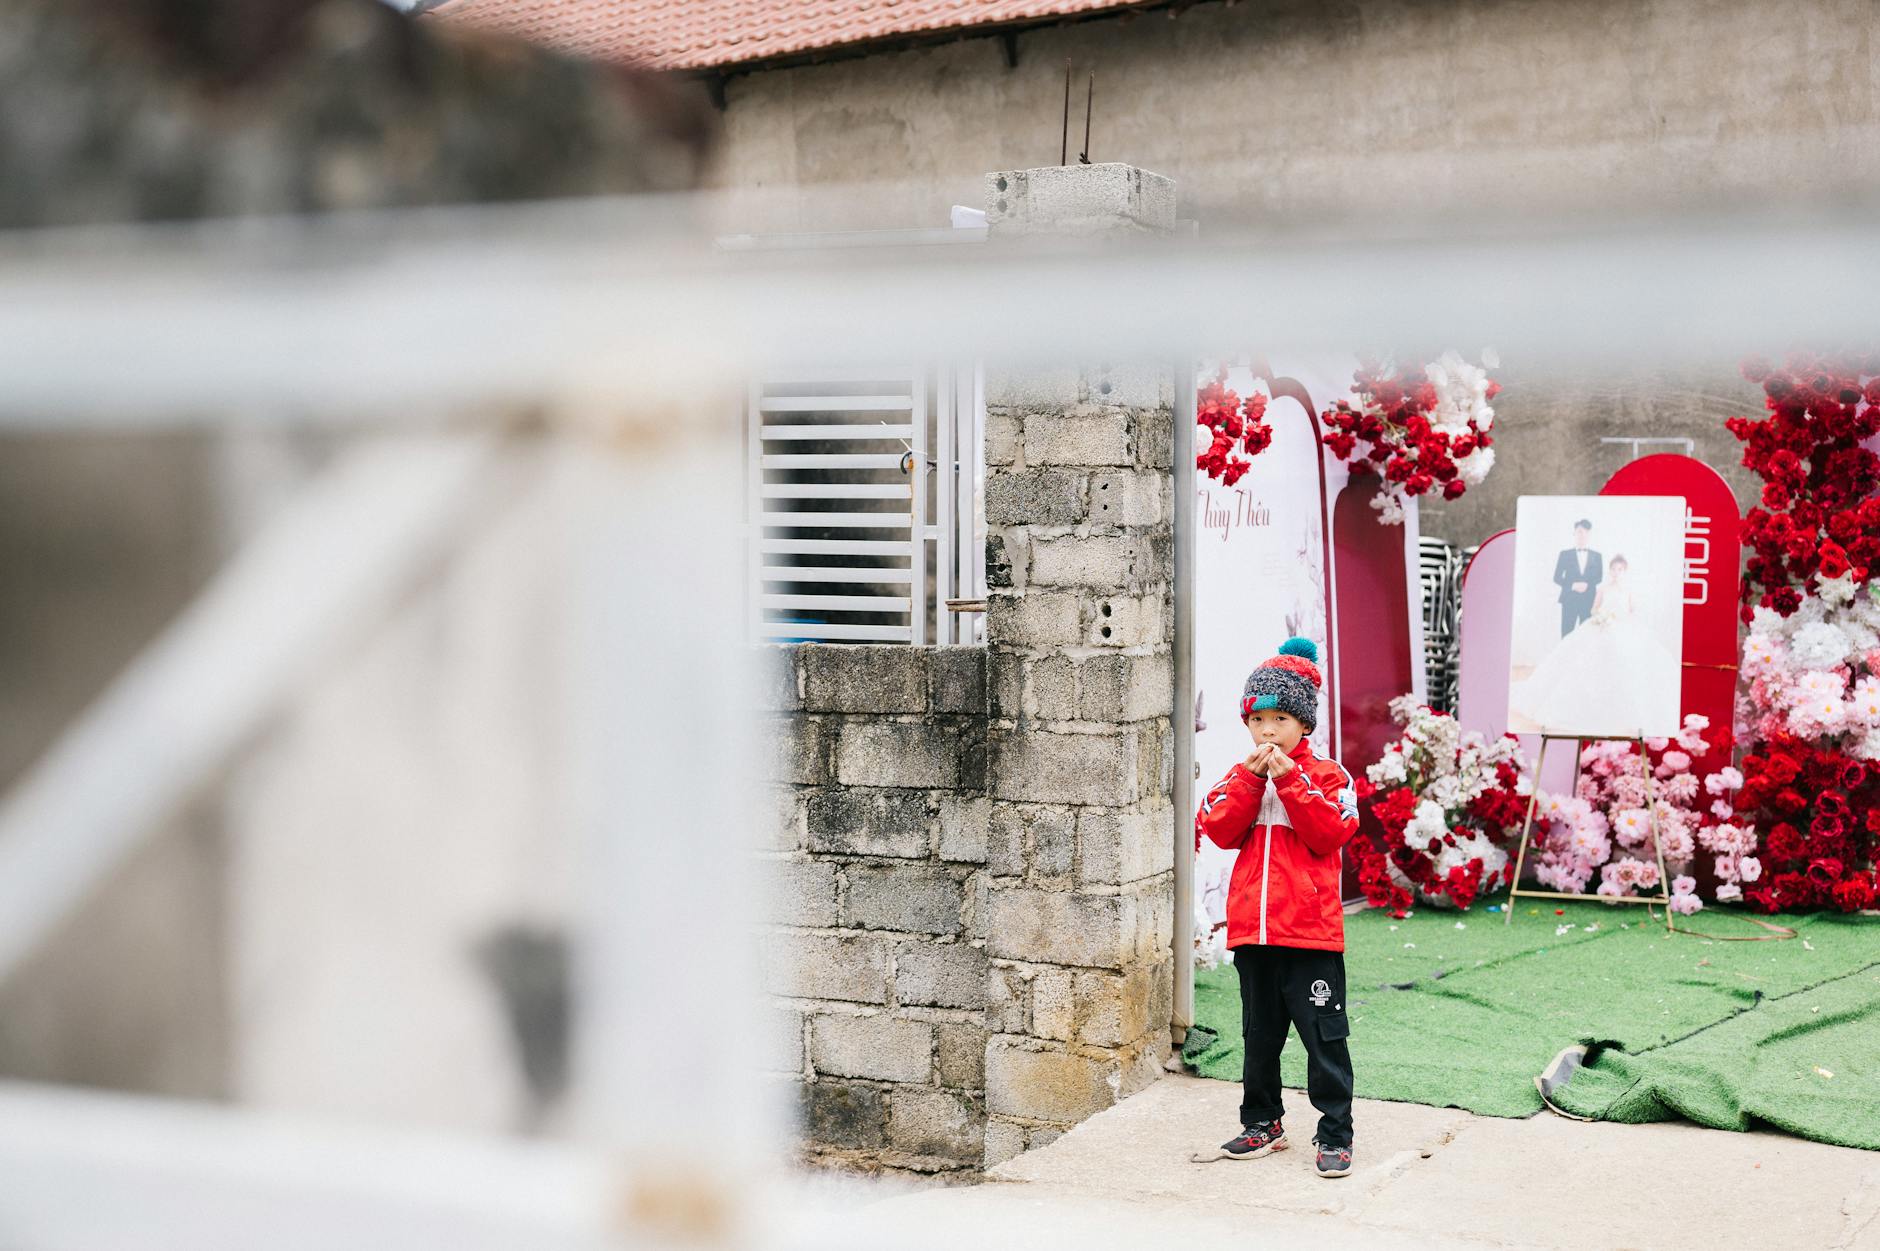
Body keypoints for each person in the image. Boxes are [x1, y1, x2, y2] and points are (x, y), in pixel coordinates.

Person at [1194, 637, 1361, 1179]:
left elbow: (1330, 832)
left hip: (1310, 937)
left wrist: (1289, 779)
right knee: (1258, 1037)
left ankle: (1335, 1133)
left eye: (1281, 717)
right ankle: (1262, 1123)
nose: (1267, 730)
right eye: (1258, 718)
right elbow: (1216, 827)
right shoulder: (1242, 775)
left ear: (1304, 724)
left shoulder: (1331, 776)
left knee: (1324, 1040)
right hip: (1254, 936)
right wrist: (1251, 778)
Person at [1512, 554, 1678, 735]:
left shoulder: (1628, 591)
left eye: (1620, 570)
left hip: (1622, 628)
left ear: (1625, 571)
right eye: (1614, 569)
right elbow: (1594, 609)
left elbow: (1631, 611)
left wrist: (1620, 619)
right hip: (1602, 624)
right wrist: (1602, 616)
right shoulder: (1603, 589)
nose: (1616, 573)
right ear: (1610, 570)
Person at [1552, 518, 1603, 636]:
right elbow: (1557, 577)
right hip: (1569, 599)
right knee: (1566, 633)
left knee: (1587, 635)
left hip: (1589, 599)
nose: (1583, 534)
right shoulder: (1564, 554)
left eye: (1586, 532)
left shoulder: (1597, 556)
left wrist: (1587, 585)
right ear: (1574, 533)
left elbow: (1599, 577)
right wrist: (1572, 585)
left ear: (1590, 534)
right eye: (1580, 531)